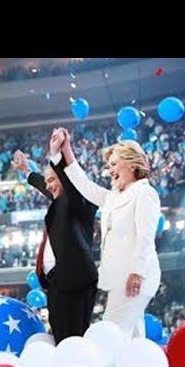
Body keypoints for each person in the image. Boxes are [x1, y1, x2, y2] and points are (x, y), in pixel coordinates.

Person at [54, 130, 161, 339]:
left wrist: (137, 272)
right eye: (108, 165)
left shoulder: (144, 192)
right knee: (132, 340)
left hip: (134, 276)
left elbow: (145, 236)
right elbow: (85, 186)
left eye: (114, 164)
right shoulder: (114, 197)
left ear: (131, 164)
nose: (109, 170)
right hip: (119, 277)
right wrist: (66, 150)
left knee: (110, 334)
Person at [12, 129, 98, 342]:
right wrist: (26, 171)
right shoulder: (59, 202)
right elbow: (47, 187)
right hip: (57, 282)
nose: (49, 185)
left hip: (76, 282)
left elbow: (71, 184)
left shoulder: (79, 202)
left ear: (65, 179)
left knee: (74, 341)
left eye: (53, 179)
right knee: (60, 339)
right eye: (48, 181)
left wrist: (56, 154)